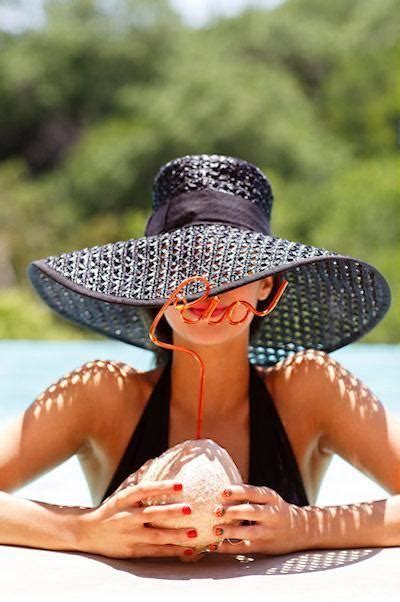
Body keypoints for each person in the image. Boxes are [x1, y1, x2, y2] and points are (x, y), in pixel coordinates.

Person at [1, 154, 399, 562]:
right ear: (154, 281)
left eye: (233, 265)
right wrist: (84, 529)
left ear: (266, 285)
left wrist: (305, 526)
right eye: (184, 261)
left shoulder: (310, 388)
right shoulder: (103, 394)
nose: (207, 287)